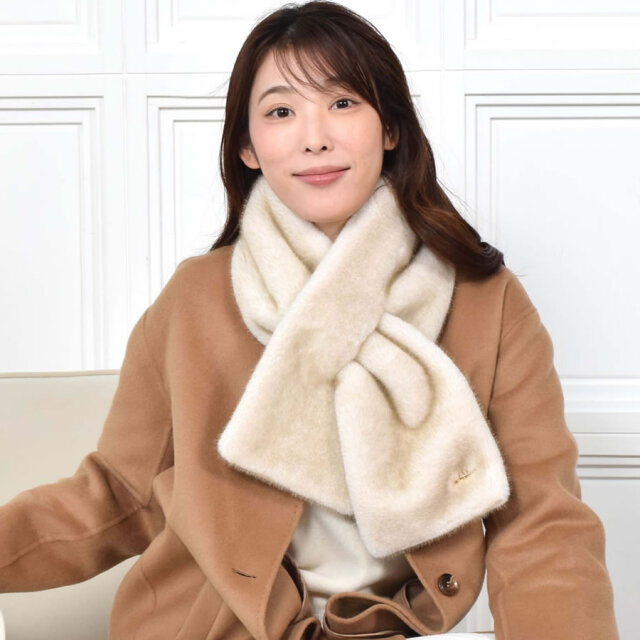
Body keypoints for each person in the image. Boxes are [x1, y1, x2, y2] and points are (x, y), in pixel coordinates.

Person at [0, 2, 619, 639]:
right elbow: (118, 496)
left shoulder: (487, 300)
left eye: (343, 102)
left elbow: (541, 523)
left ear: (391, 128)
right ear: (247, 146)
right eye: (280, 112)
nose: (314, 137)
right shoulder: (193, 299)